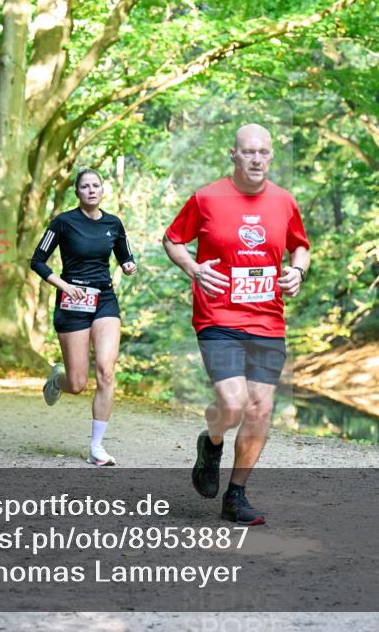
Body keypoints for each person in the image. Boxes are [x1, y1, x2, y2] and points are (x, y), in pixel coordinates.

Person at [163, 124, 310, 525]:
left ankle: (236, 495)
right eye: (248, 152)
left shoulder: (284, 201)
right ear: (234, 155)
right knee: (233, 403)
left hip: (268, 320)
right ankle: (211, 443)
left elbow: (300, 244)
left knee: (260, 409)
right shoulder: (207, 197)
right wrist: (193, 268)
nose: (257, 159)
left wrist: (297, 271)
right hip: (218, 316)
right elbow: (173, 239)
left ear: (271, 156)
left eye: (263, 152)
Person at [31, 168, 137, 466]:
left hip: (104, 299)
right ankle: (57, 378)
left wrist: (129, 265)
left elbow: (125, 255)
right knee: (77, 383)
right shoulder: (63, 222)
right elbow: (37, 261)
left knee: (106, 371)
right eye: (85, 187)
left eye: (96, 186)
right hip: (72, 302)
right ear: (77, 192)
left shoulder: (113, 223)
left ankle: (96, 447)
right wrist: (65, 285)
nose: (91, 190)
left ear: (102, 190)